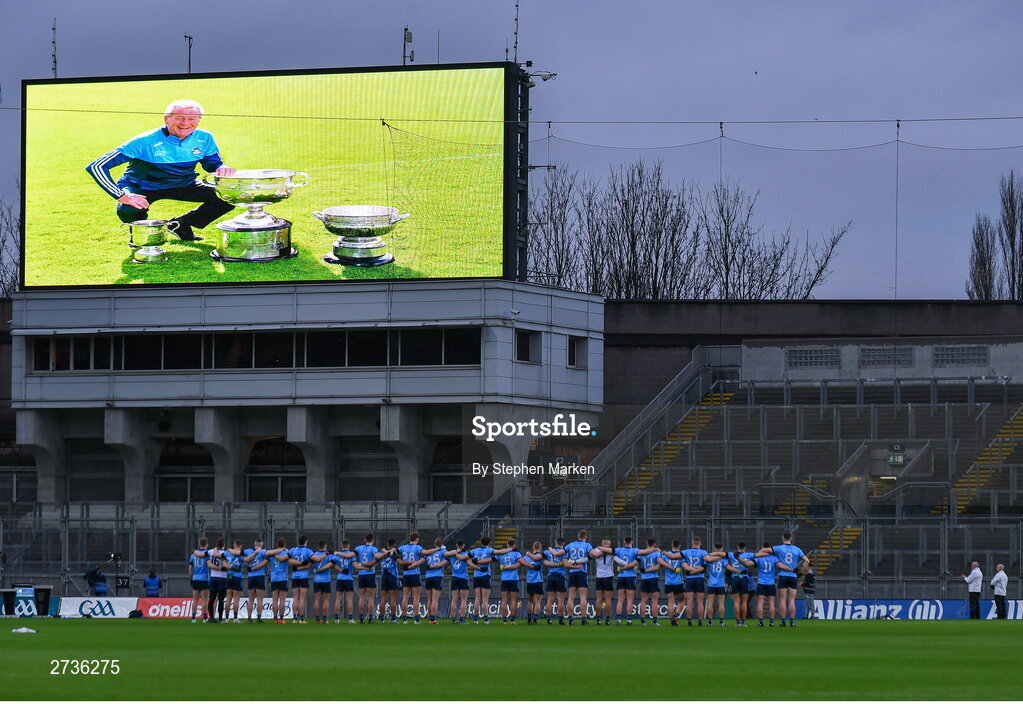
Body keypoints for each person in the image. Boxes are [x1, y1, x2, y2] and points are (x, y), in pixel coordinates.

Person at [85, 99, 236, 241]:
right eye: (179, 118)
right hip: (143, 186)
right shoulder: (144, 141)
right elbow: (96, 166)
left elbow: (213, 163)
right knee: (128, 209)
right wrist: (122, 196)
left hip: (183, 184)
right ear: (166, 119)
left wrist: (222, 168)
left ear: (198, 120)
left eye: (192, 119)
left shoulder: (205, 137)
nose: (185, 123)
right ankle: (140, 237)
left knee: (229, 196)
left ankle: (179, 224)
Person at [765, 532, 808, 627]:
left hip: (783, 575)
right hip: (793, 576)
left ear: (782, 538)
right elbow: (807, 561)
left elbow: (765, 549)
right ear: (791, 538)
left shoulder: (779, 548)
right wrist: (801, 572)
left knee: (783, 600)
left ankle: (783, 621)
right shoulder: (797, 549)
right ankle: (792, 622)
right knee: (792, 600)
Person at [563, 529, 596, 625]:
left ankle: (570, 618)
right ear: (585, 537)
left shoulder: (570, 544)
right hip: (582, 571)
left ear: (578, 536)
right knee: (583, 597)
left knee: (571, 597)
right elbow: (591, 555)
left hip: (572, 572)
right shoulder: (587, 545)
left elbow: (564, 554)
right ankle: (583, 619)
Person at [745, 542, 780, 627]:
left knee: (760, 603)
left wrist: (741, 559)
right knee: (772, 603)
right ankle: (771, 622)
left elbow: (749, 564)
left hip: (761, 583)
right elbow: (780, 565)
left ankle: (760, 622)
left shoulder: (759, 558)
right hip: (771, 583)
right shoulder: (774, 558)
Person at [397, 533, 425, 623]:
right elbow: (424, 554)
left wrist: (401, 562)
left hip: (406, 574)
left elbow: (395, 554)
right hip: (415, 573)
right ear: (416, 539)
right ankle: (416, 618)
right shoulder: (417, 547)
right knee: (416, 597)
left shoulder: (403, 547)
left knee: (405, 596)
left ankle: (404, 618)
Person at [681, 537, 709, 626]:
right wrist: (697, 570)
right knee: (700, 602)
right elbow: (705, 564)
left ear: (692, 543)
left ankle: (689, 621)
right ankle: (700, 621)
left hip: (690, 578)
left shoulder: (686, 552)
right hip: (700, 578)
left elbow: (684, 566)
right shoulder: (704, 552)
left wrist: (691, 571)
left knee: (689, 601)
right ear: (700, 543)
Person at [468, 536, 496, 624]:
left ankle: (475, 619)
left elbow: (467, 559)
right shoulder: (489, 550)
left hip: (476, 576)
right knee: (485, 599)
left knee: (477, 598)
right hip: (485, 575)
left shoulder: (474, 550)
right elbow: (498, 553)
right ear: (489, 542)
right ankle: (486, 619)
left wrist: (477, 567)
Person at [726, 542, 754, 627]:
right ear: (745, 547)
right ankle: (743, 622)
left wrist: (712, 553)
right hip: (744, 578)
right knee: (744, 602)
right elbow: (760, 555)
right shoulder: (749, 555)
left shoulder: (731, 555)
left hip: (735, 578)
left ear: (737, 546)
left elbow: (719, 553)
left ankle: (738, 622)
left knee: (736, 602)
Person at [353, 534, 380, 623]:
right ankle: (371, 618)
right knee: (371, 598)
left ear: (365, 539)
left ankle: (361, 618)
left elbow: (352, 555)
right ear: (373, 540)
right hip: (370, 574)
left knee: (362, 597)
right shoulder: (373, 549)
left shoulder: (359, 548)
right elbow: (376, 556)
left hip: (361, 574)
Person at [421, 537, 448, 624]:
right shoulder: (443, 552)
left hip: (428, 576)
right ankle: (433, 619)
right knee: (435, 599)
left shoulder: (429, 552)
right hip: (437, 576)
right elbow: (441, 564)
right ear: (442, 544)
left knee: (429, 599)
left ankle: (430, 618)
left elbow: (421, 560)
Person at [613, 537, 639, 625]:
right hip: (631, 577)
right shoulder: (635, 550)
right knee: (630, 600)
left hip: (621, 576)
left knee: (620, 599)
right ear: (632, 542)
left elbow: (609, 550)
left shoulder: (619, 550)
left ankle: (618, 620)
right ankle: (629, 620)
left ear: (624, 542)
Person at [288, 536, 314, 624]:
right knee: (302, 599)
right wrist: (302, 566)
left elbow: (289, 560)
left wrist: (297, 567)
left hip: (295, 577)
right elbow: (310, 563)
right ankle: (302, 619)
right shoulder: (308, 551)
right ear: (306, 542)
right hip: (304, 577)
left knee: (295, 598)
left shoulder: (293, 550)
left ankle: (294, 618)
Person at [496, 539, 523, 623]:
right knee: (513, 601)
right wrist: (511, 566)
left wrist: (505, 567)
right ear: (514, 545)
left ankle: (504, 620)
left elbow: (493, 558)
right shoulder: (517, 553)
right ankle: (512, 620)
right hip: (514, 579)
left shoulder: (501, 554)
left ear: (507, 544)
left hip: (504, 579)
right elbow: (519, 564)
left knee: (504, 600)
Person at [636, 538, 662, 626]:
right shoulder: (657, 553)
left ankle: (643, 622)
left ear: (646, 543)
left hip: (644, 579)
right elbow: (658, 566)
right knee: (654, 601)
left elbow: (635, 562)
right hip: (653, 578)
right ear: (654, 544)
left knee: (643, 601)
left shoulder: (642, 553)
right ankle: (654, 622)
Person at [444, 540, 471, 624]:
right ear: (463, 545)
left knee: (454, 599)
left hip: (454, 577)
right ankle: (462, 619)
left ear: (456, 545)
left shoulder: (451, 555)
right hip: (463, 578)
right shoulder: (466, 554)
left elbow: (445, 557)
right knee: (463, 600)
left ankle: (453, 619)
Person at [659, 540, 685, 626]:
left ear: (672, 545)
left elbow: (660, 564)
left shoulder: (665, 556)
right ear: (679, 545)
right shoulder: (681, 556)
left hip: (668, 582)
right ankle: (676, 616)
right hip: (678, 582)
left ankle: (671, 620)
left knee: (670, 601)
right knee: (682, 601)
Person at [702, 543, 729, 626]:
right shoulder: (724, 560)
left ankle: (709, 622)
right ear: (722, 550)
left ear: (714, 549)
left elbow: (703, 567)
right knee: (721, 603)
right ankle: (721, 622)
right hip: (721, 584)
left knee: (710, 603)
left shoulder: (709, 559)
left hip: (711, 584)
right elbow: (728, 569)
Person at [265, 538, 291, 624]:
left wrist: (275, 554)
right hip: (283, 578)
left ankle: (275, 618)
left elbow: (266, 553)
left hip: (274, 579)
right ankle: (281, 618)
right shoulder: (286, 553)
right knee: (283, 600)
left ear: (277, 545)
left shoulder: (272, 554)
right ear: (285, 545)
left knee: (275, 600)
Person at [543, 539, 567, 625]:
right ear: (563, 544)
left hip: (551, 575)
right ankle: (560, 619)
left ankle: (549, 619)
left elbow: (544, 562)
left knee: (550, 599)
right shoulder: (564, 552)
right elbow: (566, 563)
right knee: (560, 599)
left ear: (555, 543)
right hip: (560, 575)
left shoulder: (547, 552)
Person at [243, 539, 268, 623]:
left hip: (251, 576)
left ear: (254, 544)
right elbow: (268, 557)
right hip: (260, 576)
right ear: (262, 544)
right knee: (260, 599)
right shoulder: (263, 551)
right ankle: (258, 617)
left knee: (250, 599)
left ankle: (249, 617)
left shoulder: (248, 551)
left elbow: (239, 554)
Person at [333, 540, 357, 624]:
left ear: (341, 545)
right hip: (349, 578)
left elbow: (333, 565)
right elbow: (355, 565)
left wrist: (341, 570)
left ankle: (336, 619)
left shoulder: (337, 555)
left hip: (340, 578)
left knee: (338, 599)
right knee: (349, 599)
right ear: (349, 545)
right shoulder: (351, 555)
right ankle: (350, 619)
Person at [592, 538, 615, 625]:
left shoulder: (596, 550)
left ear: (602, 543)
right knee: (608, 599)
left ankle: (598, 619)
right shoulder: (611, 551)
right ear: (609, 544)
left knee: (598, 599)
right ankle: (607, 620)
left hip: (599, 577)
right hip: (608, 577)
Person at [377, 539, 401, 623]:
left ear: (387, 544)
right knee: (393, 598)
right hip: (393, 575)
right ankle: (393, 619)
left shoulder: (382, 553)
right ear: (394, 544)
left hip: (384, 575)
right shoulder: (394, 552)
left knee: (383, 598)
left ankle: (381, 619)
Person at [205, 538, 228, 623]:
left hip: (213, 577)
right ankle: (221, 619)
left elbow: (202, 554)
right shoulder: (225, 553)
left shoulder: (211, 551)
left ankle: (211, 618)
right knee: (221, 599)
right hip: (222, 578)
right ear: (223, 545)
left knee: (212, 599)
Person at [311, 540, 334, 624]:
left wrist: (317, 570)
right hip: (326, 580)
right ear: (325, 546)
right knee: (325, 600)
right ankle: (324, 619)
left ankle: (317, 619)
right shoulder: (329, 555)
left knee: (317, 600)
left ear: (318, 546)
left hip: (316, 580)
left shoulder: (314, 554)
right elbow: (332, 564)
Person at [522, 542, 546, 625]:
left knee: (530, 601)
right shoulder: (540, 557)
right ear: (540, 547)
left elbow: (521, 563)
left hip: (529, 581)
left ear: (533, 547)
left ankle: (529, 619)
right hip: (538, 580)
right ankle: (535, 619)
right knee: (537, 601)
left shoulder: (526, 557)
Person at [187, 537, 210, 623]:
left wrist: (191, 578)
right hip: (204, 578)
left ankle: (193, 618)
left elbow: (190, 567)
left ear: (199, 544)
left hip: (195, 578)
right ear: (207, 544)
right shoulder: (207, 554)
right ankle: (204, 618)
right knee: (205, 600)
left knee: (195, 599)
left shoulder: (193, 555)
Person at [224, 540, 246, 623]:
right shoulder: (241, 554)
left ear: (234, 544)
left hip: (229, 576)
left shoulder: (227, 553)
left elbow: (223, 560)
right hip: (237, 577)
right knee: (236, 598)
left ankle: (226, 618)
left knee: (228, 598)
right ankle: (235, 618)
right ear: (240, 546)